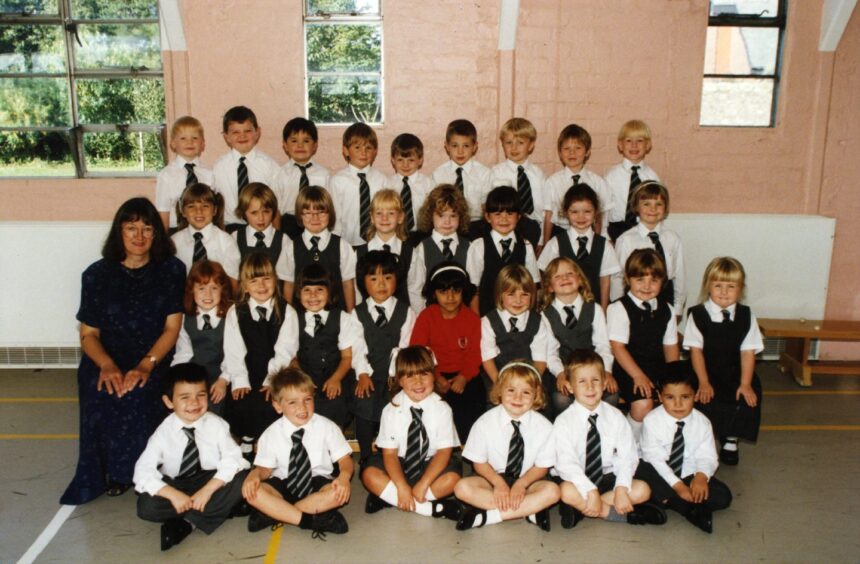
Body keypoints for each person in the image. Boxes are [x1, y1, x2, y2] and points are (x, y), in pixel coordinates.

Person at [61, 197, 185, 504]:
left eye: (147, 228)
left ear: (157, 234)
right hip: (106, 355)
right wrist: (106, 364)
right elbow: (88, 334)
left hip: (153, 354)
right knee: (102, 389)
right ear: (119, 232)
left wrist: (146, 365)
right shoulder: (96, 274)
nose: (139, 236)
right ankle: (110, 472)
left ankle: (140, 471)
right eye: (131, 228)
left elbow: (172, 328)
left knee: (138, 393)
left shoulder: (172, 269)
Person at [133, 363, 250, 550]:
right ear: (169, 402)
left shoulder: (217, 424)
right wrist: (173, 495)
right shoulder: (163, 431)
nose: (194, 403)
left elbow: (234, 460)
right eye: (184, 397)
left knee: (243, 479)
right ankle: (216, 510)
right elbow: (142, 471)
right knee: (146, 507)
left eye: (201, 395)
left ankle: (186, 523)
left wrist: (207, 490)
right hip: (177, 483)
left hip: (209, 478)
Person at [553, 350, 667, 529]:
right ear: (569, 386)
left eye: (595, 380)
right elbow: (566, 464)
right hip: (578, 479)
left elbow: (627, 456)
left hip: (607, 476)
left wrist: (621, 488)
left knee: (643, 489)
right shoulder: (563, 422)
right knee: (565, 491)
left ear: (605, 383)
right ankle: (612, 513)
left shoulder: (615, 417)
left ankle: (579, 511)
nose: (590, 387)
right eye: (582, 381)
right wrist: (589, 490)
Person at [243, 367, 353, 535]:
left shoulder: (327, 427)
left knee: (337, 493)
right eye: (292, 402)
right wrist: (254, 475)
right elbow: (265, 469)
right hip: (282, 482)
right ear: (278, 406)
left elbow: (345, 460)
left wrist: (344, 478)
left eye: (307, 399)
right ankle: (311, 520)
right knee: (253, 492)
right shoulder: (270, 434)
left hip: (317, 481)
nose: (302, 407)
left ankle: (277, 512)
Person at [360, 346, 463, 521]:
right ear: (399, 380)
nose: (418, 382)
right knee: (369, 475)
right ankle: (431, 508)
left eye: (424, 374)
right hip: (398, 462)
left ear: (433, 375)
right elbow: (390, 454)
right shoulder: (391, 409)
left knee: (453, 480)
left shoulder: (442, 409)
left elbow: (444, 452)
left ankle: (390, 499)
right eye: (410, 376)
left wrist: (423, 484)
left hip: (431, 463)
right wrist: (401, 486)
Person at [455, 361, 559, 531]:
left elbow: (542, 467)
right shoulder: (484, 423)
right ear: (499, 391)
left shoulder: (544, 427)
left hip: (529, 480)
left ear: (536, 396)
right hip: (492, 478)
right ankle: (529, 509)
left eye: (526, 392)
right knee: (462, 488)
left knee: (553, 492)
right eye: (511, 390)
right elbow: (479, 463)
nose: (518, 398)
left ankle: (488, 516)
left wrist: (521, 484)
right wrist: (498, 483)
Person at [635, 361, 733, 533]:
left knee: (723, 496)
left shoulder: (703, 423)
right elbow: (654, 459)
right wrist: (678, 487)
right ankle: (687, 508)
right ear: (659, 396)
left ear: (695, 395)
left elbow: (707, 456)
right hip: (658, 471)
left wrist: (701, 478)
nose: (678, 404)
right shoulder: (652, 420)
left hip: (687, 472)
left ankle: (664, 501)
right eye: (670, 397)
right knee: (638, 471)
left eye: (685, 397)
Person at [683, 257, 763, 465]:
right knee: (704, 400)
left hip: (735, 372)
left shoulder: (746, 316)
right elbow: (696, 352)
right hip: (705, 371)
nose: (724, 292)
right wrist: (703, 381)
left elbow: (747, 353)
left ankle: (731, 438)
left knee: (745, 396)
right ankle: (703, 440)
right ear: (707, 286)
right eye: (718, 285)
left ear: (740, 289)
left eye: (731, 286)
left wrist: (745, 384)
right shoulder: (698, 314)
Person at [220, 253, 299, 458]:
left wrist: (271, 380)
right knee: (242, 401)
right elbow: (233, 350)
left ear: (275, 280)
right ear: (245, 286)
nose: (261, 285)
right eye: (253, 281)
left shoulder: (286, 311)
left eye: (266, 278)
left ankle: (270, 446)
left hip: (276, 372)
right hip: (247, 370)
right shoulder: (236, 312)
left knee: (270, 403)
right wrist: (239, 380)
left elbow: (285, 350)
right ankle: (246, 439)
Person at [607, 249, 679, 439]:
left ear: (662, 281)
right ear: (627, 279)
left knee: (676, 398)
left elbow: (670, 346)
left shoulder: (667, 309)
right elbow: (618, 347)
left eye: (653, 280)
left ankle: (659, 442)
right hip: (628, 368)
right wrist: (638, 376)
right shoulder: (618, 308)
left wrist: (673, 378)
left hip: (656, 367)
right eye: (640, 280)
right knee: (643, 404)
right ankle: (629, 441)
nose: (647, 286)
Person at [353, 250, 417, 464]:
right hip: (368, 374)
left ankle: (390, 455)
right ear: (363, 283)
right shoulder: (357, 313)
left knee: (395, 408)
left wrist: (397, 375)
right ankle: (365, 455)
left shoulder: (406, 311)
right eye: (374, 279)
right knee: (365, 402)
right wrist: (362, 373)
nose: (381, 284)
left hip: (395, 375)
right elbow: (357, 347)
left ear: (396, 281)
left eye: (387, 278)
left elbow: (406, 346)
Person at [410, 263, 483, 440]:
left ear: (463, 292)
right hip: (432, 373)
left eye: (456, 291)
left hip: (465, 375)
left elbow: (475, 354)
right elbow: (418, 351)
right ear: (434, 294)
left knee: (471, 404)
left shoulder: (472, 319)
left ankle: (466, 446)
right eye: (443, 292)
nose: (450, 297)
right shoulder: (426, 317)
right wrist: (436, 376)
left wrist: (464, 377)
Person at [291, 263, 369, 428]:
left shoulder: (342, 318)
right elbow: (291, 358)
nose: (313, 296)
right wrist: (304, 379)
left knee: (336, 404)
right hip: (304, 376)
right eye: (307, 290)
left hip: (335, 375)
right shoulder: (293, 320)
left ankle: (335, 441)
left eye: (319, 290)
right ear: (299, 293)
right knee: (302, 403)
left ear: (330, 292)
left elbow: (347, 357)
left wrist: (335, 379)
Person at [541, 257, 614, 416]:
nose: (565, 278)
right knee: (562, 400)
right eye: (557, 276)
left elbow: (602, 345)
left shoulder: (595, 309)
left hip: (592, 370)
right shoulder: (545, 315)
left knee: (611, 396)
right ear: (549, 287)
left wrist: (606, 371)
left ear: (580, 280)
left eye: (569, 273)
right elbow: (551, 353)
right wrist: (560, 374)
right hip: (564, 371)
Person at [538, 184, 620, 310]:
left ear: (596, 212)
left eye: (587, 211)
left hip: (593, 311)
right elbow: (546, 279)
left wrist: (603, 312)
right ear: (566, 213)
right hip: (562, 311)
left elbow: (605, 282)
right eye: (574, 212)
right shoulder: (555, 243)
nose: (581, 217)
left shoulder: (604, 245)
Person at [277, 185, 357, 311]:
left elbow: (348, 285)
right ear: (300, 215)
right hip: (301, 317)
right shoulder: (290, 247)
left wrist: (351, 315)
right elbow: (288, 285)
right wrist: (288, 317)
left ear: (330, 214)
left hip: (336, 317)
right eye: (308, 213)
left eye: (321, 212)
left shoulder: (342, 246)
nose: (315, 218)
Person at [612, 181, 685, 315]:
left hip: (665, 298)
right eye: (646, 204)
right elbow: (618, 278)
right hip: (635, 298)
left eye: (659, 204)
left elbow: (679, 277)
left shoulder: (673, 238)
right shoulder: (626, 240)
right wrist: (619, 308)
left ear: (666, 208)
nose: (653, 209)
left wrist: (677, 309)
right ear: (636, 207)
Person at [172, 260, 233, 416]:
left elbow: (234, 355)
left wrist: (223, 380)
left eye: (214, 288)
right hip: (195, 376)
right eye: (201, 288)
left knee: (213, 407)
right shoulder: (186, 319)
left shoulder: (231, 317)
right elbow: (183, 354)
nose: (208, 294)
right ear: (192, 291)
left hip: (221, 376)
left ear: (223, 290)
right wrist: (176, 379)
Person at [466, 186, 539, 316]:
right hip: (487, 316)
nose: (504, 219)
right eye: (497, 214)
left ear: (519, 217)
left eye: (510, 214)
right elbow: (473, 290)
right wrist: (478, 321)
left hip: (520, 315)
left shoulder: (526, 246)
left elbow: (533, 286)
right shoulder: (479, 247)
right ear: (488, 217)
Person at [354, 189, 425, 311]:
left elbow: (416, 290)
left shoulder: (410, 252)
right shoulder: (359, 253)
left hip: (402, 317)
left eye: (391, 213)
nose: (384, 218)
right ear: (371, 217)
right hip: (369, 318)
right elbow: (357, 292)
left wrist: (417, 319)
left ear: (400, 217)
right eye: (379, 213)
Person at [212, 105, 280, 229]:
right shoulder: (219, 167)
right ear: (226, 137)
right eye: (235, 132)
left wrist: (276, 237)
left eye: (247, 131)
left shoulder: (270, 166)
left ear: (257, 133)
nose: (242, 136)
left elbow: (276, 205)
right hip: (230, 227)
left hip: (262, 227)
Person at [480, 264, 548, 386]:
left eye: (524, 294)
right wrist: (500, 385)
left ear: (532, 295)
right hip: (497, 378)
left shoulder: (537, 321)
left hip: (529, 379)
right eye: (511, 294)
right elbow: (487, 359)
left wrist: (531, 384)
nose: (518, 300)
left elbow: (540, 360)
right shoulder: (488, 321)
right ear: (500, 295)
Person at [543, 123, 612, 240]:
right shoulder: (552, 182)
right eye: (566, 148)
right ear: (560, 153)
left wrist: (600, 239)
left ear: (587, 152)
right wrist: (545, 242)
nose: (572, 153)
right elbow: (548, 216)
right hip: (560, 232)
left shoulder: (597, 182)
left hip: (589, 232)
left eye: (578, 148)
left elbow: (601, 216)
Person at [171, 182, 241, 289]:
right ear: (183, 211)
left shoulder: (226, 242)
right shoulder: (174, 242)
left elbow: (233, 284)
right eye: (191, 206)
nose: (199, 211)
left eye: (205, 206)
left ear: (215, 210)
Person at [431, 119, 492, 237]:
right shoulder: (438, 174)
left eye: (466, 146)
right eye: (455, 146)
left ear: (475, 147)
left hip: (476, 225)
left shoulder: (484, 173)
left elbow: (486, 208)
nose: (460, 151)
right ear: (447, 146)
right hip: (447, 225)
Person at [490, 117, 545, 248]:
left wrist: (542, 241)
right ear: (502, 144)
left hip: (534, 229)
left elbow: (543, 211)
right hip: (506, 229)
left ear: (531, 145)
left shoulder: (538, 175)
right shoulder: (495, 173)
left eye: (520, 143)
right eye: (509, 142)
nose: (514, 147)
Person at [330, 122, 387, 246]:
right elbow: (335, 217)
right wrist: (335, 243)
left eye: (368, 148)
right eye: (357, 147)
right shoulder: (338, 181)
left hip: (376, 242)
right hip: (346, 243)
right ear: (346, 151)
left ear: (375, 151)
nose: (363, 153)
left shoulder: (382, 180)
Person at [605, 119, 661, 242]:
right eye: (628, 140)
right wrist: (605, 237)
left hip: (644, 228)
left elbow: (657, 208)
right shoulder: (611, 176)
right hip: (616, 230)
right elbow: (605, 209)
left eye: (640, 141)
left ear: (648, 145)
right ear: (620, 145)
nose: (634, 145)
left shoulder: (652, 177)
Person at [274, 117, 330, 239]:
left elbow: (329, 208)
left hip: (316, 222)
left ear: (315, 145)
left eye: (306, 141)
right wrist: (277, 237)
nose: (300, 146)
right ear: (285, 145)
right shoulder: (280, 174)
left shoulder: (324, 174)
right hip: (289, 224)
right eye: (294, 141)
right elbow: (276, 210)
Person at [156, 116, 214, 231]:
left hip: (205, 230)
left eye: (195, 138)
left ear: (202, 144)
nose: (190, 142)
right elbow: (163, 213)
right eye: (183, 138)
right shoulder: (166, 175)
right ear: (173, 143)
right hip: (176, 230)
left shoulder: (209, 174)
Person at [385, 132, 432, 244]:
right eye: (400, 160)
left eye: (411, 160)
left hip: (422, 234)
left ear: (420, 160)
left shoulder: (428, 184)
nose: (405, 165)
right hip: (395, 234)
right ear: (393, 160)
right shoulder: (388, 184)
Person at [416, 183, 471, 278]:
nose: (447, 222)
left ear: (461, 217)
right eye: (441, 215)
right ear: (430, 216)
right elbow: (418, 286)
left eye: (453, 216)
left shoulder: (470, 247)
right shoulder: (421, 249)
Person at [232, 182, 287, 269]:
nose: (261, 218)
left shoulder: (284, 240)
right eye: (254, 213)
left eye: (266, 211)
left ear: (274, 211)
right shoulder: (234, 238)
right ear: (243, 213)